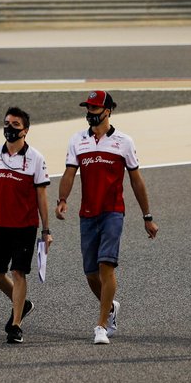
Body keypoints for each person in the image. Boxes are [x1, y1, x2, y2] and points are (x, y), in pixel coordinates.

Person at [56, 90, 158, 345]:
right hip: (87, 214)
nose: (90, 113)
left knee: (106, 266)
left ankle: (102, 325)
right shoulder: (77, 140)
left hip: (113, 212)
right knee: (90, 272)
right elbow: (69, 173)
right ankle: (110, 306)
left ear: (108, 111)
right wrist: (62, 200)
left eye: (94, 109)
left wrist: (147, 216)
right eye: (88, 109)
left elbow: (136, 180)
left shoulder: (124, 141)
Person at [0, 107, 53, 344]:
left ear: (25, 130)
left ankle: (16, 325)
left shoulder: (36, 158)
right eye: (7, 123)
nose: (10, 128)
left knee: (18, 272)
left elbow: (42, 197)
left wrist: (46, 230)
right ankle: (23, 304)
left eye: (15, 124)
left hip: (25, 226)